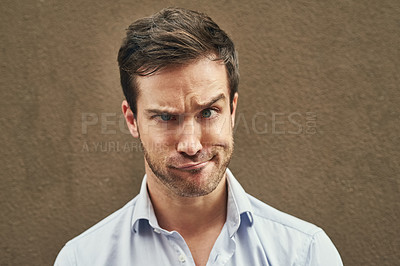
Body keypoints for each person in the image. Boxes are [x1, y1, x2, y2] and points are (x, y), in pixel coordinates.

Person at [55, 7, 343, 266]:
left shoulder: (305, 254)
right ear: (132, 120)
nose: (191, 145)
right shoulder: (82, 259)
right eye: (166, 117)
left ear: (232, 110)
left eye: (208, 112)